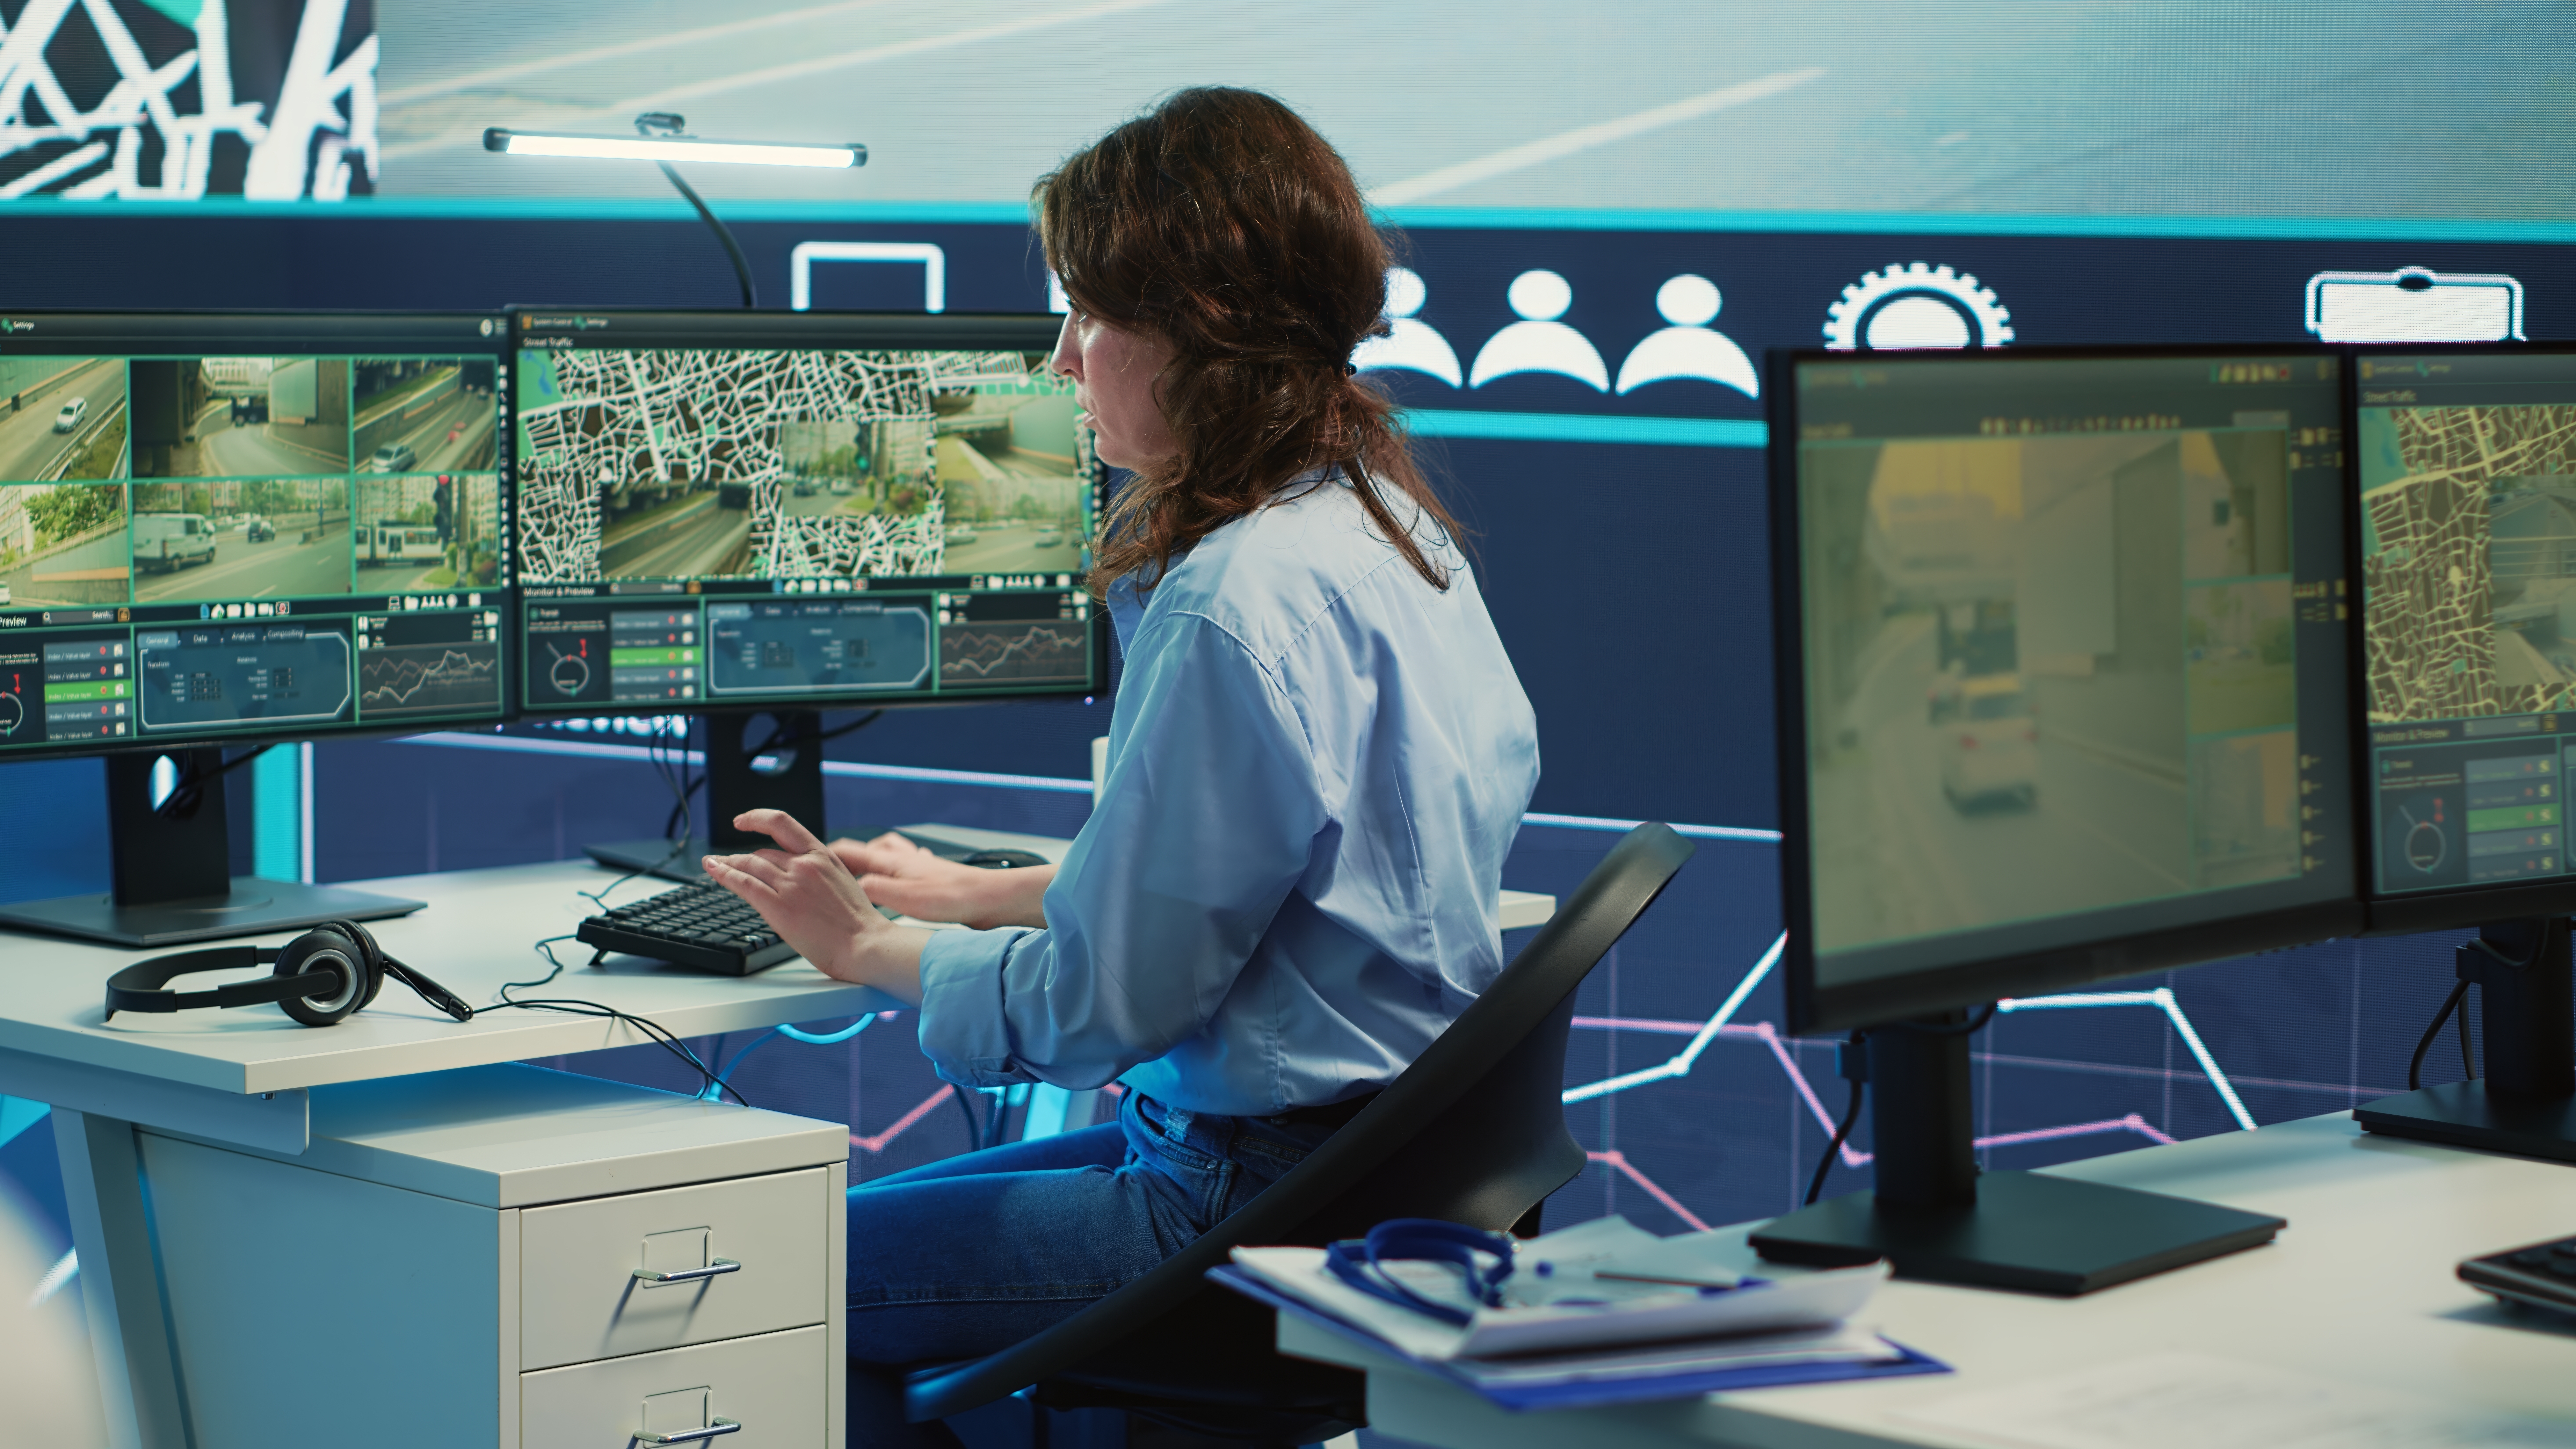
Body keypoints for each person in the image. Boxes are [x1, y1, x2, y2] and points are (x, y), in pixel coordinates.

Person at [703, 86, 1539, 1446]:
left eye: (1086, 317)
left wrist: (865, 948)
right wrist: (978, 894)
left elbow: (1111, 1008)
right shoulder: (1388, 522)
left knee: (772, 1283)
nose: (1056, 361)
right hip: (1379, 1172)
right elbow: (1303, 875)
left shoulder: (1232, 596)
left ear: (1196, 337)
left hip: (1242, 1196)